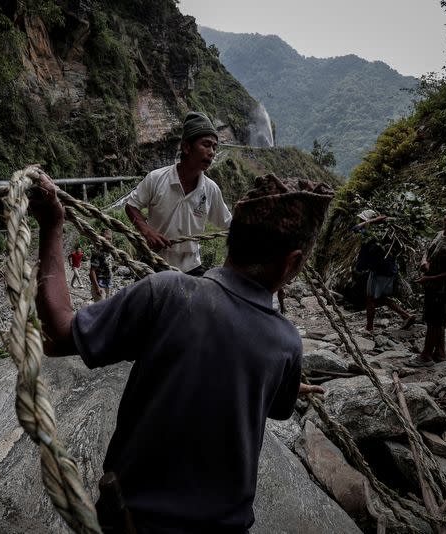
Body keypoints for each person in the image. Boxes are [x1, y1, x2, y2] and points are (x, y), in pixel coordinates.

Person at [32, 171, 333, 533]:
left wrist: (52, 224)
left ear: (230, 237)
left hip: (132, 520)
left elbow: (57, 334)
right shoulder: (285, 342)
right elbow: (275, 406)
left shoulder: (167, 293)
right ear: (291, 262)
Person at [125, 111, 233, 276]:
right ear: (186, 147)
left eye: (214, 147)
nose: (211, 152)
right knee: (139, 302)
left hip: (191, 268)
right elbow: (131, 206)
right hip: (154, 264)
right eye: (206, 144)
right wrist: (147, 232)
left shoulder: (210, 189)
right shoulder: (156, 179)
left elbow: (229, 225)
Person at [407, 203, 446, 367]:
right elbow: (427, 251)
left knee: (434, 322)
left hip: (442, 289)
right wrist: (424, 261)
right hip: (432, 286)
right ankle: (440, 352)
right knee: (437, 320)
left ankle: (426, 355)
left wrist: (430, 278)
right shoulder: (440, 234)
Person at [352, 210, 415, 331]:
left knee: (371, 298)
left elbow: (355, 229)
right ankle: (406, 315)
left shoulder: (374, 235)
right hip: (388, 270)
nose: (360, 222)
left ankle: (369, 327)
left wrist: (372, 221)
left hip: (380, 271)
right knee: (381, 298)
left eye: (362, 220)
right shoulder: (383, 234)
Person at [89, 229, 113, 302]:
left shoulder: (110, 251)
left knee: (107, 307)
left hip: (108, 283)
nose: (108, 241)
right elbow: (92, 271)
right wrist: (97, 287)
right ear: (102, 238)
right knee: (101, 308)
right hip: (99, 283)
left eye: (110, 239)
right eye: (106, 238)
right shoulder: (98, 252)